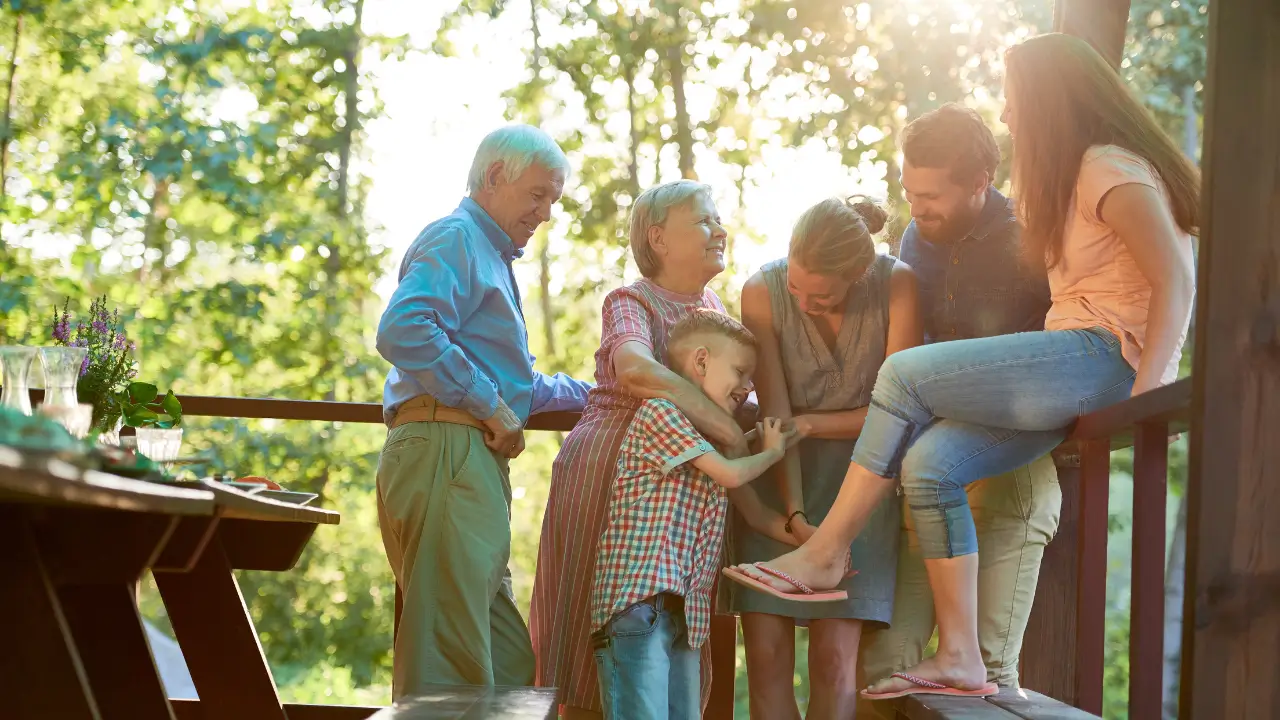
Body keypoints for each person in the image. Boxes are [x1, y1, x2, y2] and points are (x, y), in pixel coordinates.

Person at [726, 31, 1198, 700]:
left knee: (903, 373)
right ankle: (960, 655)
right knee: (930, 465)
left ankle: (827, 552)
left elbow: (1177, 276)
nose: (1007, 117)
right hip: (1065, 368)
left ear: (1048, 101)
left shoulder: (1105, 164)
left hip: (1101, 355)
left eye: (1013, 101)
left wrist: (1147, 397)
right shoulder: (1063, 183)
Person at [532, 180, 789, 719]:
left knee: (673, 651)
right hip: (611, 481)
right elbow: (635, 369)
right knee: (590, 643)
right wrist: (723, 422)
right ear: (659, 238)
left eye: (718, 218)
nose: (720, 229)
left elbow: (733, 418)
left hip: (686, 498)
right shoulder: (632, 299)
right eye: (702, 220)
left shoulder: (714, 306)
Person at [374, 124, 593, 700]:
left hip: (471, 461)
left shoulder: (492, 258)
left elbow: (520, 387)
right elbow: (403, 329)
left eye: (554, 200)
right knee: (451, 666)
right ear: (495, 177)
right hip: (446, 449)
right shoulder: (456, 238)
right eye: (538, 194)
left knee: (505, 661)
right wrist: (488, 403)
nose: (546, 212)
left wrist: (609, 395)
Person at [856, 104, 1061, 713]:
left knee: (985, 683)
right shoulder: (915, 236)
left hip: (1007, 478)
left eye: (931, 195)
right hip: (924, 480)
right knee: (885, 669)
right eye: (908, 191)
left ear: (980, 182)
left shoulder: (1036, 234)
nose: (917, 209)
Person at [729, 197, 922, 719]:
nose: (804, 302)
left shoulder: (897, 284)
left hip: (864, 480)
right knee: (767, 657)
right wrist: (794, 520)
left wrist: (814, 424)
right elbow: (776, 414)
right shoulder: (760, 292)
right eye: (796, 288)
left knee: (835, 661)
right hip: (779, 479)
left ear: (857, 274)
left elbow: (898, 409)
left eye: (820, 295)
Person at [591, 309, 796, 720]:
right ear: (701, 361)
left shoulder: (704, 433)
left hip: (682, 608)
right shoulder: (661, 414)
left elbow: (729, 458)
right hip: (641, 602)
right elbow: (730, 473)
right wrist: (773, 451)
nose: (748, 385)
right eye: (740, 371)